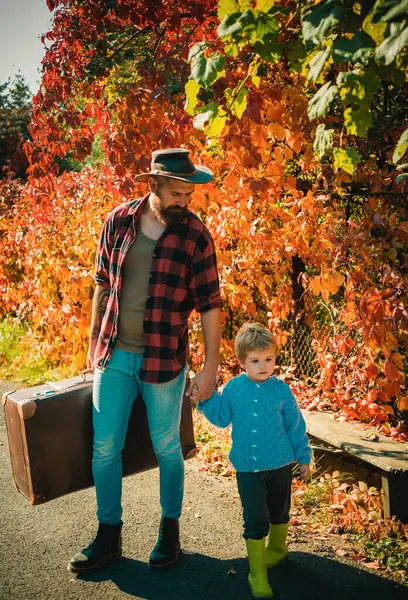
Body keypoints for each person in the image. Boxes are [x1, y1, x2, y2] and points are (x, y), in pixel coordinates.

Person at [69, 148, 222, 574]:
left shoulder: (195, 236)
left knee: (167, 447)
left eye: (189, 195)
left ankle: (169, 531)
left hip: (164, 359)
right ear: (152, 184)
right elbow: (102, 282)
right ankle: (108, 534)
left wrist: (210, 367)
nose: (183, 202)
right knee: (104, 447)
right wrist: (92, 344)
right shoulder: (117, 221)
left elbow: (211, 305)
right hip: (113, 353)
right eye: (176, 193)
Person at [196, 322, 311, 599]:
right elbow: (222, 417)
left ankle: (279, 550)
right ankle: (257, 573)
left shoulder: (281, 391)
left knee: (279, 509)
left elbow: (295, 425)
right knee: (256, 518)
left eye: (269, 359)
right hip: (248, 467)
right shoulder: (234, 388)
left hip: (281, 464)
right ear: (242, 362)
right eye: (256, 360)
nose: (263, 366)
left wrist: (304, 456)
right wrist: (205, 400)